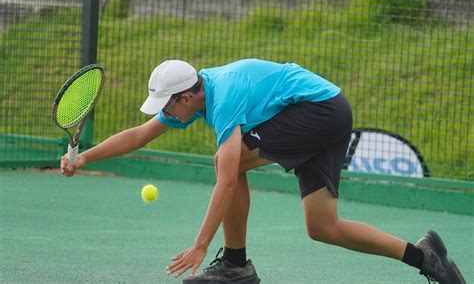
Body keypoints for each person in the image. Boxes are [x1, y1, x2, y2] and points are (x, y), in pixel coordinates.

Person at [61, 59, 466, 284]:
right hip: (324, 114)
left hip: (319, 110)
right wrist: (84, 158)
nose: (165, 116)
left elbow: (226, 177)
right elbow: (139, 135)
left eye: (167, 107)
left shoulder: (226, 94)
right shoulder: (192, 100)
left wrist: (202, 244)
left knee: (228, 163)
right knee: (323, 226)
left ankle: (235, 265)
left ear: (187, 97)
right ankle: (426, 258)